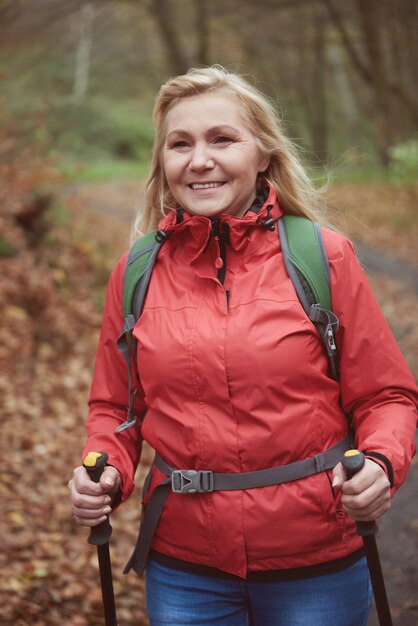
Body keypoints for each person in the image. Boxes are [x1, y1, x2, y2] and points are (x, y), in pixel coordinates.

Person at [68, 66, 418, 626]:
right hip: (185, 567)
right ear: (163, 162)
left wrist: (380, 461)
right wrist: (105, 469)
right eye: (180, 144)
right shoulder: (136, 272)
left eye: (222, 139)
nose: (199, 159)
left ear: (263, 155)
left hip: (317, 562)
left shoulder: (323, 257)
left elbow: (387, 396)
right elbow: (117, 409)